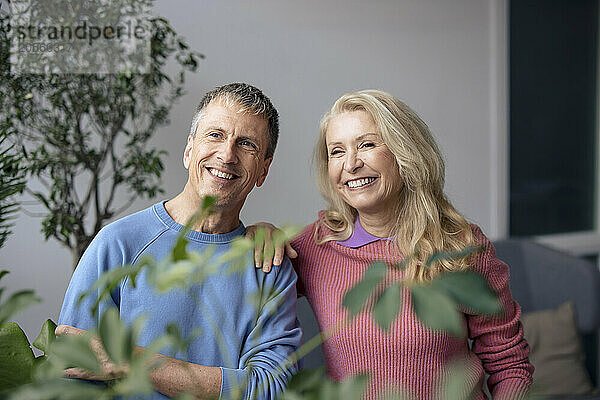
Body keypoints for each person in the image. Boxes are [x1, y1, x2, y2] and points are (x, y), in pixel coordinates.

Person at [249, 90, 533, 400]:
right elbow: (245, 291)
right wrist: (261, 232)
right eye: (337, 151)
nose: (351, 164)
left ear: (404, 151)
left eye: (367, 144)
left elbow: (510, 365)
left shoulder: (462, 246)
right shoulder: (317, 246)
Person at [56, 83, 302, 400]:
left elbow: (270, 389)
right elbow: (73, 372)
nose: (227, 155)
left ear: (263, 171)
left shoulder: (270, 266)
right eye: (215, 135)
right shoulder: (118, 244)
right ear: (189, 151)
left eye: (246, 144)